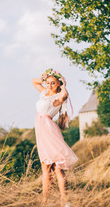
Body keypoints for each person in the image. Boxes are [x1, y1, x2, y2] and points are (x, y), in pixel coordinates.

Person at [32, 68, 78, 207]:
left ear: (58, 84)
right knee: (46, 168)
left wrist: (63, 84)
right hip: (41, 131)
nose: (49, 86)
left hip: (48, 130)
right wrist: (45, 78)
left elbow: (65, 94)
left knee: (57, 167)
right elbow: (33, 82)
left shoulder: (57, 97)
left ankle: (65, 201)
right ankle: (46, 201)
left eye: (53, 83)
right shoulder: (45, 93)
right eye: (48, 83)